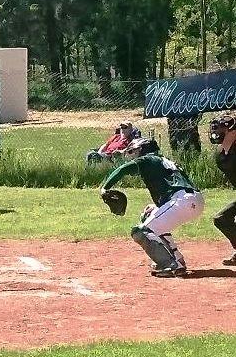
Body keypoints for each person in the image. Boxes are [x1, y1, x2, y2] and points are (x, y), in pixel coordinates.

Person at [100, 138, 204, 278]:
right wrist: (159, 205)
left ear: (143, 150)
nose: (133, 155)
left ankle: (170, 265)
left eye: (135, 151)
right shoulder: (162, 161)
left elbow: (122, 169)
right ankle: (177, 258)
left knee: (141, 231)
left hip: (183, 201)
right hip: (190, 199)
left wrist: (105, 188)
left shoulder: (148, 159)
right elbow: (173, 186)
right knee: (148, 215)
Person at [207, 115, 236, 266]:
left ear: (233, 132)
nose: (217, 132)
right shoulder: (220, 155)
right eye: (216, 128)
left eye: (222, 129)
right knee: (221, 219)